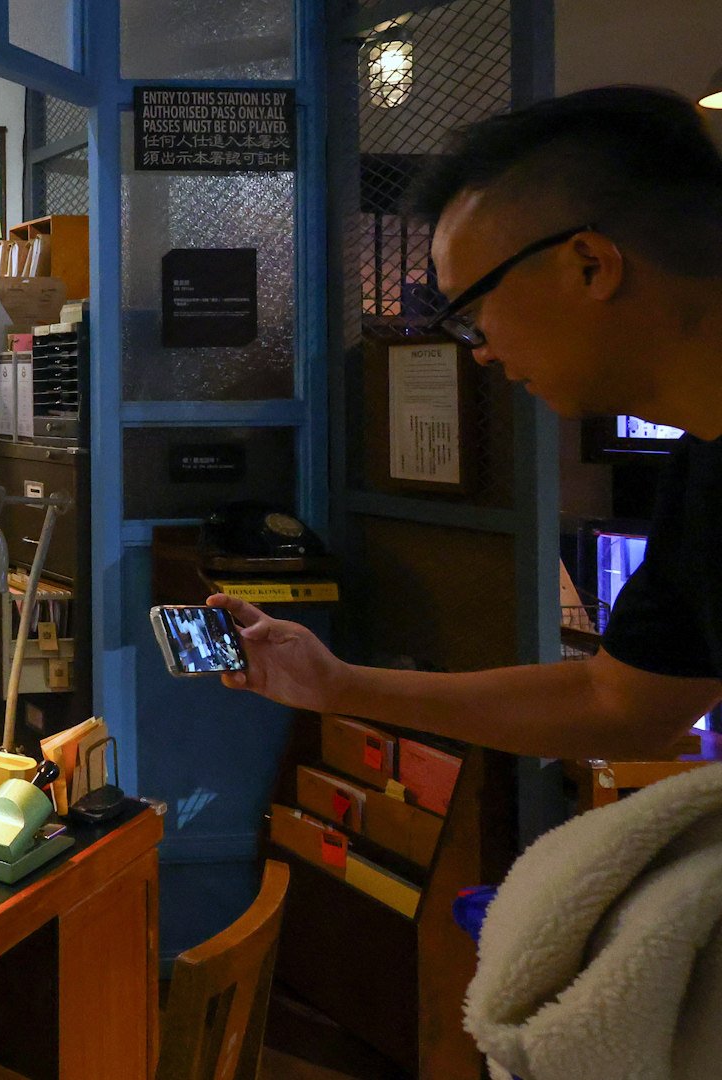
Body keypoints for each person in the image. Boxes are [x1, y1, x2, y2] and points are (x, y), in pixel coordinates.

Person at [214, 86, 722, 760]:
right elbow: (621, 703)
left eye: (471, 308)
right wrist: (335, 684)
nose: (477, 348)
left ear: (590, 265)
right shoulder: (703, 472)